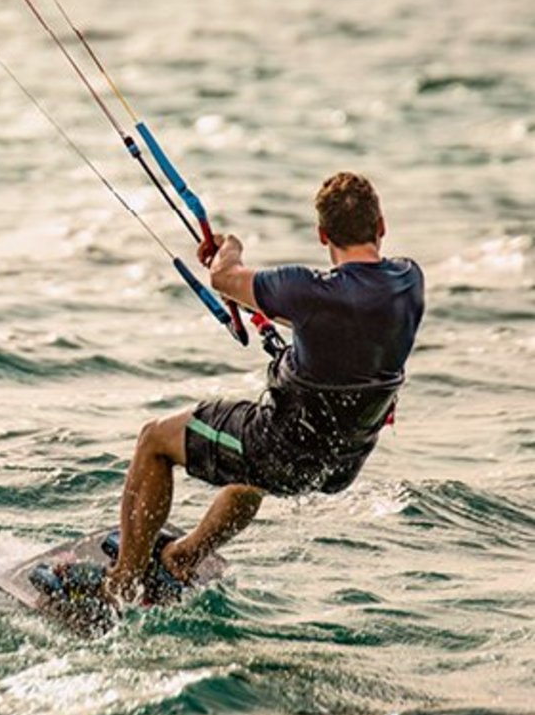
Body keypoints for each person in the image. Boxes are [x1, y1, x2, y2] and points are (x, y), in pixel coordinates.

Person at [100, 171, 425, 603]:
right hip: (341, 462)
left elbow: (224, 277)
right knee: (247, 474)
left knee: (155, 439)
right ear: (381, 226)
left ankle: (122, 581)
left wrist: (228, 246)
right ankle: (183, 555)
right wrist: (264, 301)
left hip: (282, 448)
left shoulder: (305, 290)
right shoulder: (408, 280)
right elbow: (335, 319)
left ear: (322, 234)